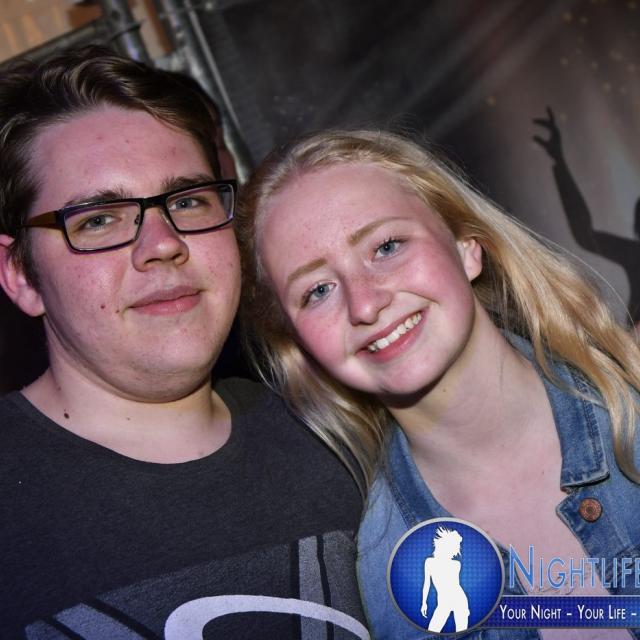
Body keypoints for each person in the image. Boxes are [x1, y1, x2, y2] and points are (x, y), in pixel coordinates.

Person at [0, 47, 368, 639]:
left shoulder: (343, 432)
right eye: (99, 219)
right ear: (21, 275)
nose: (163, 243)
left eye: (188, 201)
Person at [237, 129, 640, 639]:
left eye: (386, 247)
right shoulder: (378, 579)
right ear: (299, 343)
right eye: (318, 290)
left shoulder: (632, 399)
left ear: (466, 246)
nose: (365, 304)